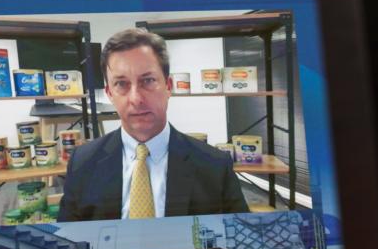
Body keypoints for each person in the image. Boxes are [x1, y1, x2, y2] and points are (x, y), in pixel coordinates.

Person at [58, 27, 249, 221]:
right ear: (109, 93)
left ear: (168, 86)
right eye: (121, 84)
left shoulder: (214, 167)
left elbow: (242, 243)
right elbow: (67, 242)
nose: (136, 98)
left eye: (148, 80)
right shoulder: (82, 163)